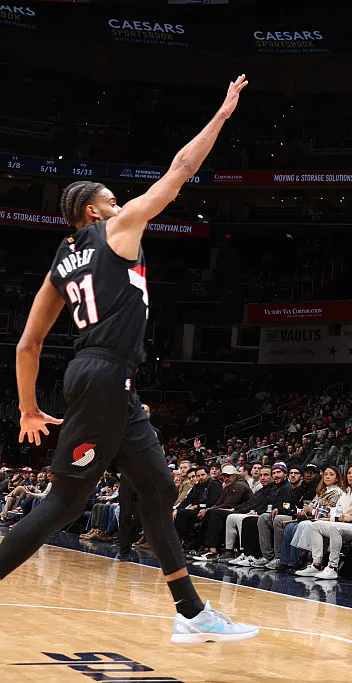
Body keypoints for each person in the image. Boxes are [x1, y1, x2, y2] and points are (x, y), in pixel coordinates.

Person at [12, 76, 256, 643]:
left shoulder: (60, 261)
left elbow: (27, 344)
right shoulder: (116, 228)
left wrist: (28, 408)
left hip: (101, 378)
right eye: (113, 200)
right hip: (102, 374)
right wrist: (221, 115)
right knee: (67, 501)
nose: (123, 205)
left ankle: (191, 614)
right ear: (95, 210)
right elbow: (180, 170)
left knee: (159, 487)